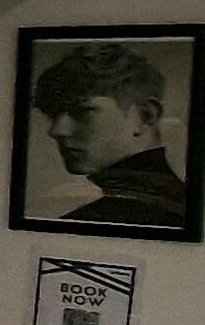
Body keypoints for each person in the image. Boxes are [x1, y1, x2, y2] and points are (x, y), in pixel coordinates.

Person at [30, 42, 189, 226]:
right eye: (53, 114)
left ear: (145, 116)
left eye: (82, 112)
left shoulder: (99, 218)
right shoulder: (178, 202)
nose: (57, 131)